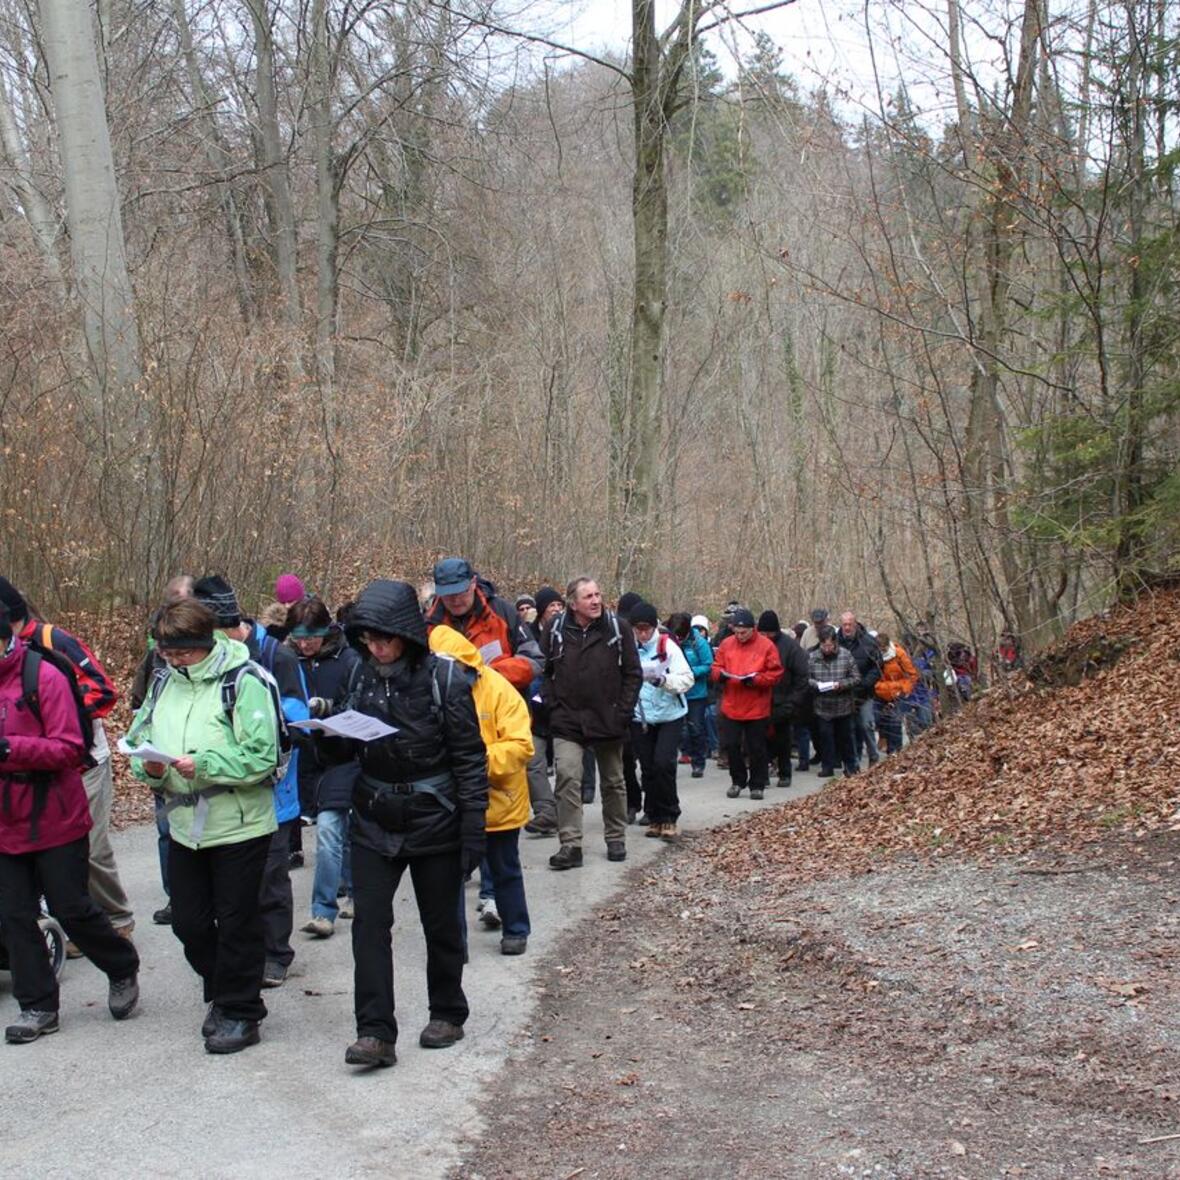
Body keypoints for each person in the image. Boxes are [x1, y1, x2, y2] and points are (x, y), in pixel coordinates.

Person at [322, 579, 487, 1068]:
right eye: (367, 639)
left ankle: (448, 1012)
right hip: (374, 817)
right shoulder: (360, 677)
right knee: (369, 924)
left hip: (435, 817)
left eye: (384, 639)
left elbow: (469, 760)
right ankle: (374, 1032)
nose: (376, 648)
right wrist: (326, 731)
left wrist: (473, 827)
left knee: (441, 923)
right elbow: (344, 750)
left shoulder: (448, 681)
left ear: (407, 636)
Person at [127, 598, 280, 1053]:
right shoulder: (163, 682)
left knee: (236, 921)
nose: (174, 660)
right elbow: (138, 738)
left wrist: (206, 764)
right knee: (189, 922)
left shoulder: (244, 681)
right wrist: (147, 768)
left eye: (183, 653)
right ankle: (224, 988)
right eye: (167, 653)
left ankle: (241, 1010)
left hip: (240, 822)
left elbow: (262, 754)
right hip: (183, 822)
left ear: (206, 643)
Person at [0, 601, 140, 1044]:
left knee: (70, 906)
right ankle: (38, 1005)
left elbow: (69, 748)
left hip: (55, 812)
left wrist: (9, 749)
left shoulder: (42, 674)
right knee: (14, 916)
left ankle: (121, 966)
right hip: (5, 821)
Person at [194, 574, 309, 989]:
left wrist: (261, 729)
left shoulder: (276, 655)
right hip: (221, 792)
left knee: (270, 877)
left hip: (274, 791)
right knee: (229, 882)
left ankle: (276, 953)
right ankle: (240, 951)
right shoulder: (204, 661)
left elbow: (298, 716)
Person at [426, 559, 554, 834]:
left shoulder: (503, 612)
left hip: (501, 712)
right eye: (448, 594)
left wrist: (488, 675)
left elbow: (534, 661)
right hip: (449, 716)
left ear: (473, 583)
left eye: (461, 591)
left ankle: (541, 812)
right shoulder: (429, 623)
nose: (455, 600)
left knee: (518, 766)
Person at [429, 625, 532, 955]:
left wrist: (474, 761)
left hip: (498, 798)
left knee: (504, 867)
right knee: (449, 875)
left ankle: (516, 928)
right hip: (451, 800)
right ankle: (453, 942)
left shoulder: (498, 690)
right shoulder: (431, 691)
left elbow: (520, 746)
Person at [541, 577, 642, 869]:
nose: (596, 601)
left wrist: (621, 712)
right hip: (567, 720)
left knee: (613, 781)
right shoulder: (556, 628)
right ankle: (570, 845)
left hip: (608, 718)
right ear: (573, 603)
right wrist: (552, 707)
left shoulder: (617, 627)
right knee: (568, 778)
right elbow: (545, 671)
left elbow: (633, 674)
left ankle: (615, 837)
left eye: (598, 594)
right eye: (588, 597)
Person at [287, 597, 362, 938]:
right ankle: (350, 888)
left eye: (311, 638)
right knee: (341, 834)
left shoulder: (348, 659)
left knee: (331, 831)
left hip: (342, 756)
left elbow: (358, 704)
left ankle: (323, 910)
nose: (305, 645)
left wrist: (328, 710)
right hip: (302, 758)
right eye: (299, 638)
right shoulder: (287, 660)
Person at [130, 574, 194, 926]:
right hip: (162, 760)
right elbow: (139, 697)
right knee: (167, 831)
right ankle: (176, 898)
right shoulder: (156, 649)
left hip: (200, 768)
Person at [628, 603, 693, 839]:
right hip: (641, 715)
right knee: (647, 767)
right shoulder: (629, 648)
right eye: (638, 629)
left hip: (669, 714)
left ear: (654, 627)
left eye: (646, 629)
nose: (643, 634)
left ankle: (669, 815)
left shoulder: (668, 647)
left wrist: (663, 680)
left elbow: (687, 679)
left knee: (664, 764)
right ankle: (654, 815)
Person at [709, 608, 783, 800]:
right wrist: (721, 676)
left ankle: (757, 784)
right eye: (737, 632)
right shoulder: (726, 644)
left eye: (744, 632)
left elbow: (775, 673)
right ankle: (737, 780)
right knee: (731, 746)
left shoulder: (766, 646)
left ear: (753, 629)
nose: (740, 636)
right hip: (732, 704)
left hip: (756, 706)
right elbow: (716, 667)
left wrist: (757, 680)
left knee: (756, 747)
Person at [756, 611, 811, 787]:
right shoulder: (755, 645)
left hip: (784, 700)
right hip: (760, 700)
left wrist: (794, 701)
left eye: (768, 633)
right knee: (759, 740)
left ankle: (785, 773)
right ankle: (762, 775)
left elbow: (802, 676)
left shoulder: (790, 647)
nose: (765, 637)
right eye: (762, 633)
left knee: (783, 740)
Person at [808, 625, 861, 778]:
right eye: (824, 645)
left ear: (835, 643)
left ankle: (850, 766)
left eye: (830, 645)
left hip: (843, 705)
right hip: (822, 705)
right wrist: (816, 685)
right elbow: (806, 678)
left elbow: (856, 677)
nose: (827, 648)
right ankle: (827, 766)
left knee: (846, 738)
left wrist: (842, 684)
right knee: (825, 739)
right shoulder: (812, 657)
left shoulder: (846, 655)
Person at [838, 611, 882, 768]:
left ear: (855, 624)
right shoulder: (835, 641)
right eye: (844, 624)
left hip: (864, 692)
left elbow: (877, 668)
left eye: (850, 624)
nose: (847, 627)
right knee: (847, 729)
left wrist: (864, 684)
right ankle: (851, 762)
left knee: (866, 725)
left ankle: (873, 757)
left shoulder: (869, 642)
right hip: (843, 692)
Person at [672, 613, 713, 778]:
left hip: (696, 694)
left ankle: (698, 762)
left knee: (695, 728)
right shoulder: (670, 642)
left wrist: (689, 673)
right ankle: (680, 755)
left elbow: (708, 665)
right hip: (676, 691)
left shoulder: (699, 643)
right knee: (677, 730)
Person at [873, 632, 919, 755]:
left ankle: (896, 751)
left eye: (883, 648)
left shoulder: (899, 654)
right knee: (880, 719)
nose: (882, 651)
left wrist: (905, 690)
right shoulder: (873, 656)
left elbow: (912, 675)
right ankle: (886, 743)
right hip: (880, 692)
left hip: (899, 693)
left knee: (894, 721)